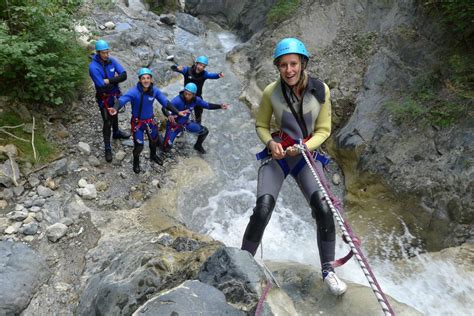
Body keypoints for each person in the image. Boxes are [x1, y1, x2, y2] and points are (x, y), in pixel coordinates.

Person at [240, 38, 347, 296]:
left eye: (294, 64)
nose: (289, 70)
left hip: (304, 156)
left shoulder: (321, 91)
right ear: (278, 67)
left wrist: (305, 148)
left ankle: (328, 271)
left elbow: (323, 130)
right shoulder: (270, 92)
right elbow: (262, 126)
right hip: (278, 155)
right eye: (284, 65)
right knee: (263, 208)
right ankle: (241, 263)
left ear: (303, 64)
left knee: (323, 207)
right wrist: (270, 143)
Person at [118, 68, 187, 174]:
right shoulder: (134, 92)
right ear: (140, 80)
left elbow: (165, 102)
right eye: (143, 78)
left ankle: (153, 155)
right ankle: (136, 161)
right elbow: (123, 99)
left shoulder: (154, 91)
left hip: (150, 122)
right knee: (139, 146)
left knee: (154, 140)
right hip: (138, 123)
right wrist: (115, 107)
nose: (146, 80)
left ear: (151, 79)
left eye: (148, 78)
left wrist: (177, 112)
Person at [89, 39, 130, 162]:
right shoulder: (93, 67)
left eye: (107, 52)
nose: (106, 55)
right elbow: (101, 85)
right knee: (107, 122)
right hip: (104, 98)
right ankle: (107, 147)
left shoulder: (111, 61)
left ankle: (116, 132)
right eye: (103, 53)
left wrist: (110, 80)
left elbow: (124, 75)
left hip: (114, 95)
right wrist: (114, 80)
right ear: (98, 53)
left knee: (115, 112)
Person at [162, 83, 229, 154]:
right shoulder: (177, 100)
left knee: (204, 131)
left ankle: (198, 145)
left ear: (194, 94)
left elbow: (207, 105)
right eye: (185, 93)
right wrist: (169, 115)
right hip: (173, 126)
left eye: (189, 94)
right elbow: (164, 108)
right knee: (166, 148)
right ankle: (160, 139)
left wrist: (220, 106)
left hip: (185, 124)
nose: (187, 96)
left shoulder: (196, 100)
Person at [170, 55, 224, 124]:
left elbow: (212, 75)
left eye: (203, 66)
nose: (201, 67)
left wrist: (218, 75)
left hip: (197, 97)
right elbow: (173, 68)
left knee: (198, 113)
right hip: (186, 95)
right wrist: (177, 68)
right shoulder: (187, 70)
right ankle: (179, 125)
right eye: (200, 65)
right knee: (181, 112)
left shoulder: (204, 74)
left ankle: (198, 126)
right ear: (196, 63)